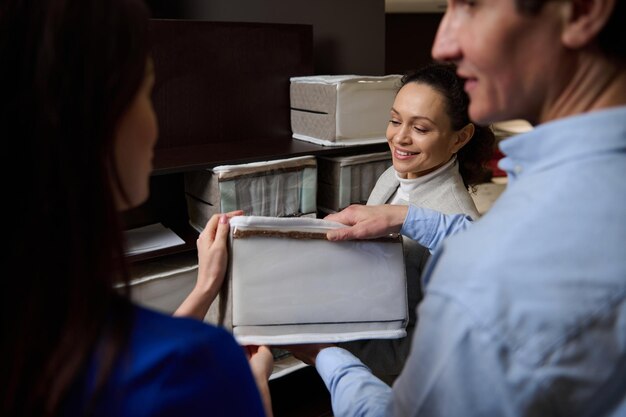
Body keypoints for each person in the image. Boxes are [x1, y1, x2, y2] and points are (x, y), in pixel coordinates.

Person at [285, 0, 626, 415]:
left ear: (584, 11)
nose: (443, 43)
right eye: (395, 120)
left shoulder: (484, 273)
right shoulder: (394, 183)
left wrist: (326, 354)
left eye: (471, 5)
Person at [0, 1, 273, 416]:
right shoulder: (199, 371)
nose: (155, 122)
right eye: (146, 92)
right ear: (93, 118)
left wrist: (204, 287)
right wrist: (252, 396)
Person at [339, 62, 495, 385]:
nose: (400, 138)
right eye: (395, 120)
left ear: (460, 138)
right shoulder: (391, 177)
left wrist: (335, 348)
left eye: (420, 129)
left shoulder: (458, 224)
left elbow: (431, 346)